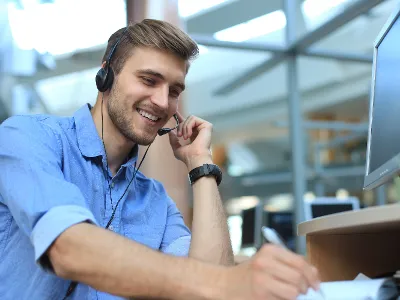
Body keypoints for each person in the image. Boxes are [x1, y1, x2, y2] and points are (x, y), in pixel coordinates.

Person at [0, 19, 321, 300]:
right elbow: (67, 248)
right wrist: (228, 282)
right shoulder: (29, 138)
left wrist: (200, 165)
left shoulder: (155, 199)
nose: (162, 101)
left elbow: (208, 284)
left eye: (174, 90)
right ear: (106, 74)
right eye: (149, 80)